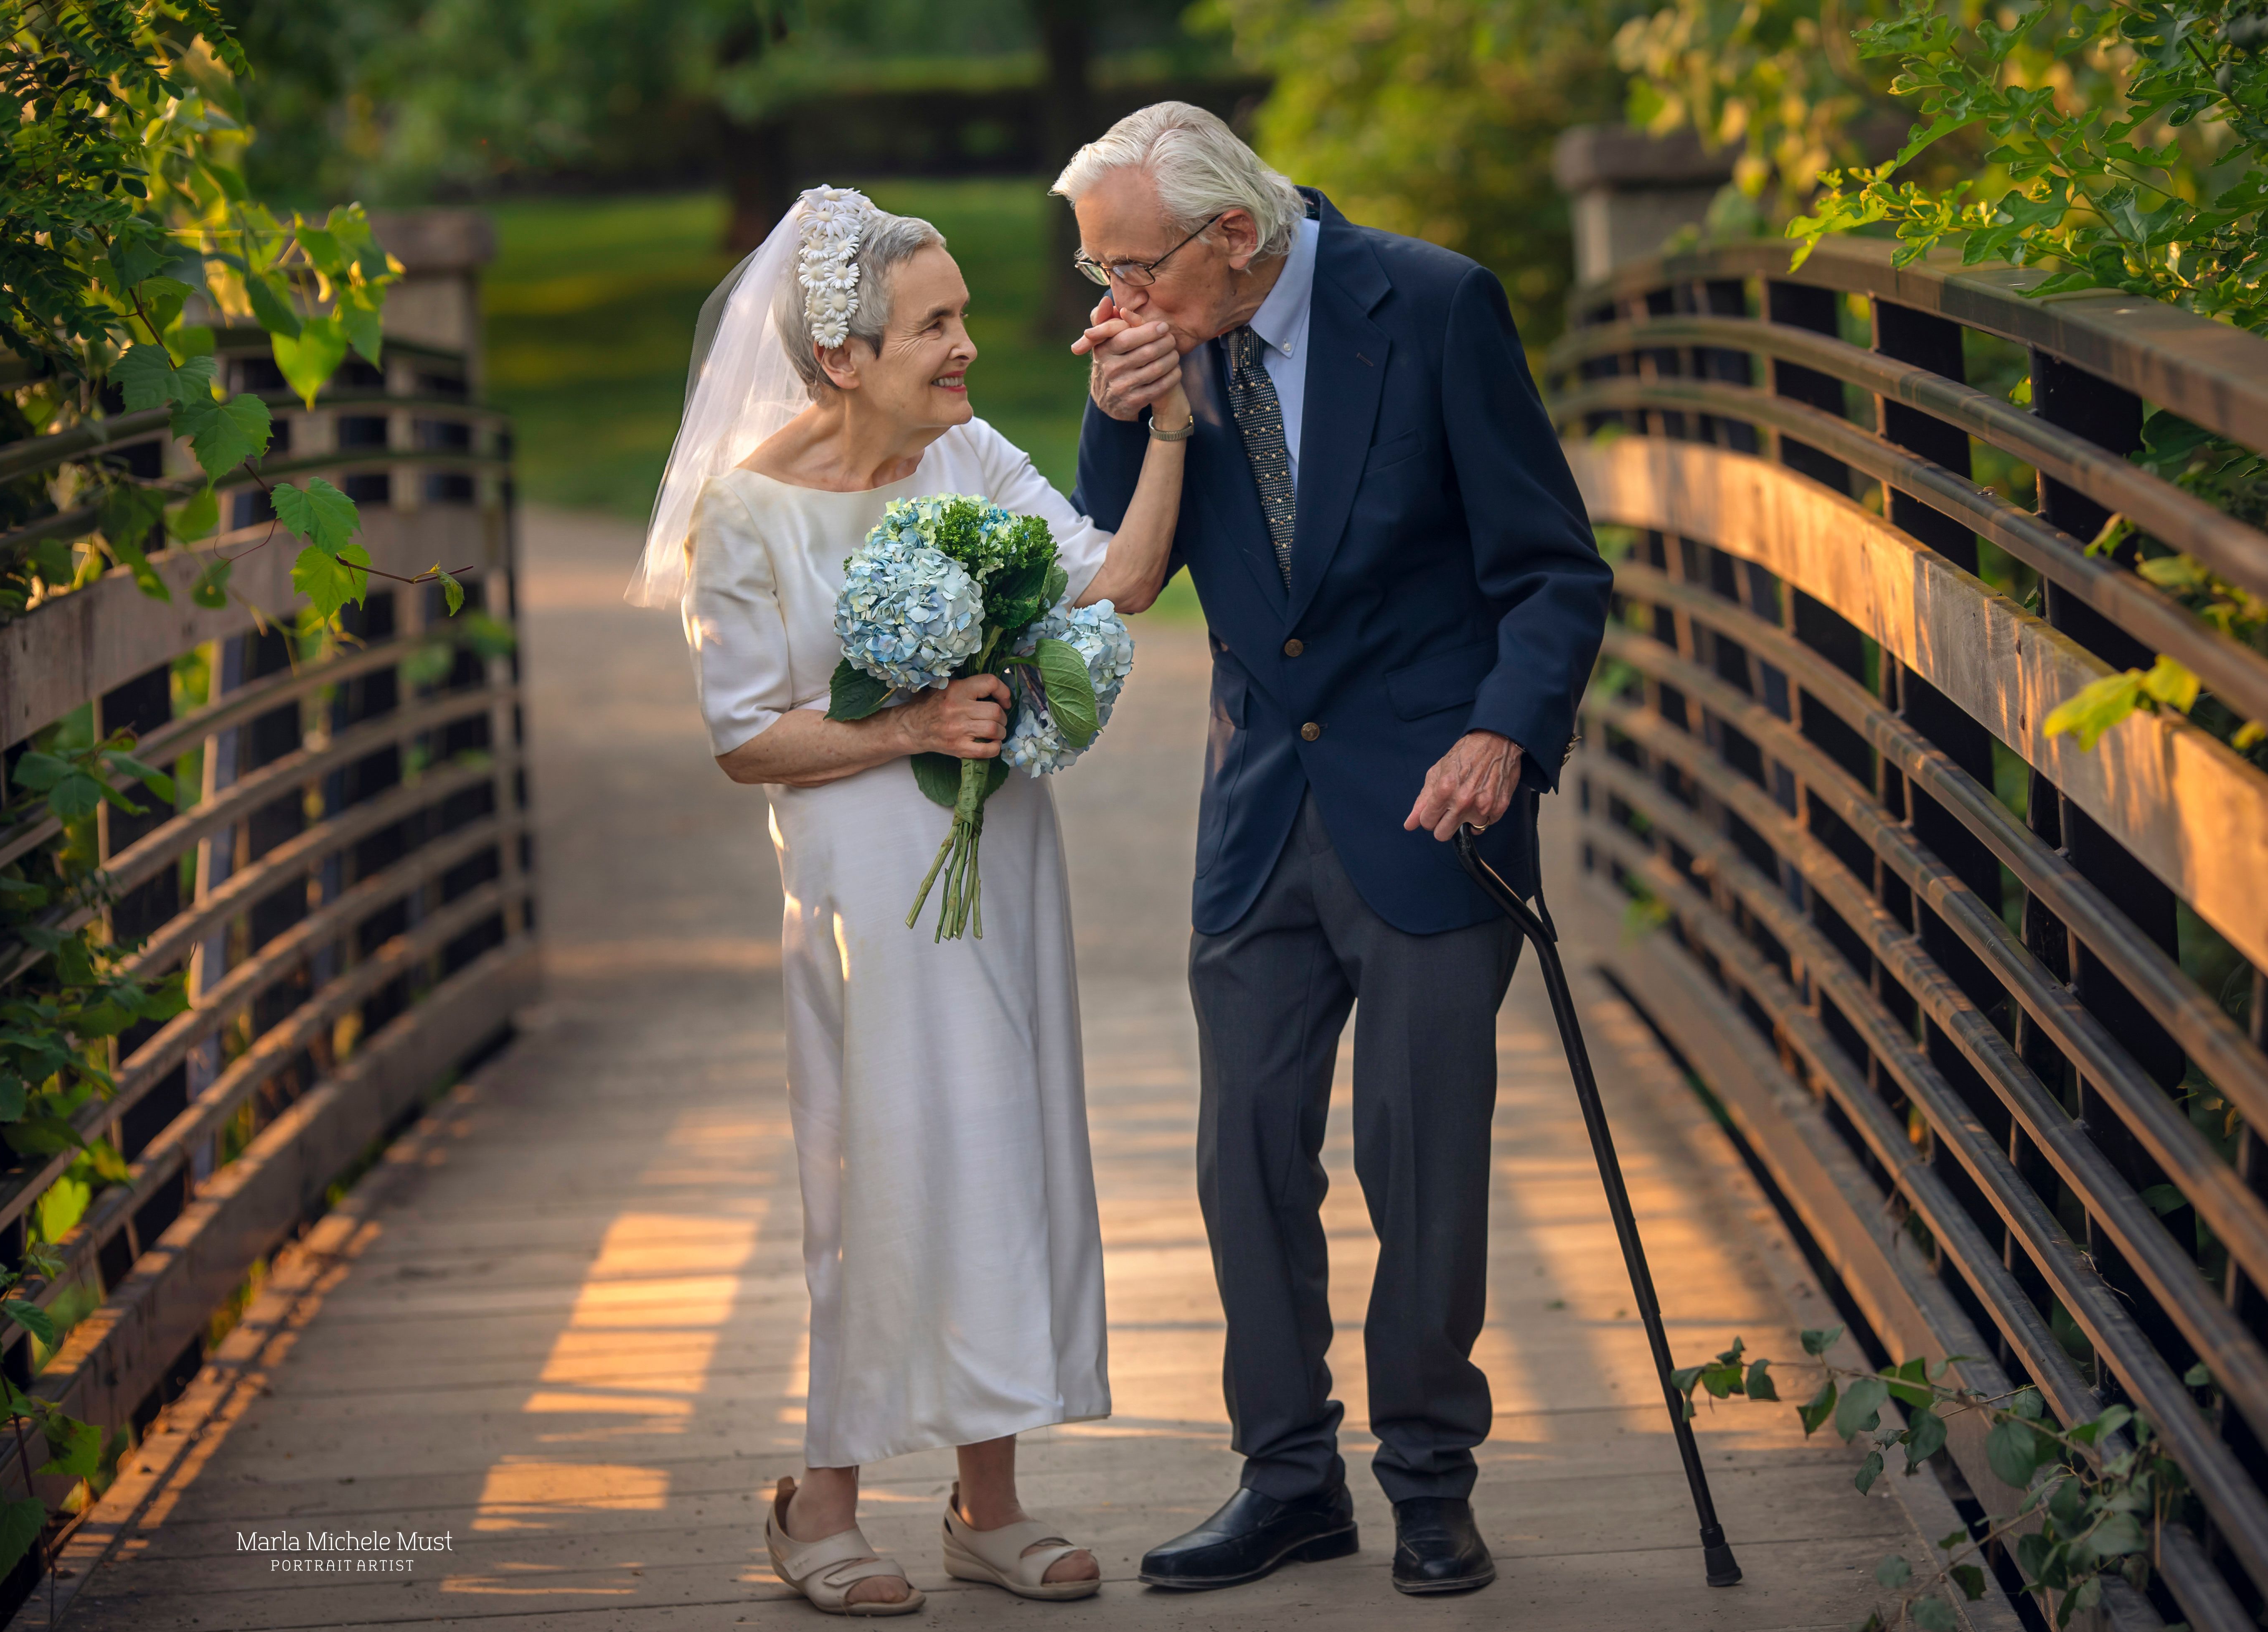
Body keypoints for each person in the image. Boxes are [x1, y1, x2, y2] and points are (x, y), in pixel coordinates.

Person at [1057, 105, 1614, 1597]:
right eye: (1091, 273)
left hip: (1440, 802)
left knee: (1418, 1158)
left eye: (1128, 268)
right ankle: (1288, 1476)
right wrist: (1133, 410)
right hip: (1257, 813)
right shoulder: (1158, 346)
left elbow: (1557, 572)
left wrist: (1505, 735)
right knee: (1246, 1156)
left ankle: (1432, 1476)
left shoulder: (1431, 304)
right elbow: (1118, 564)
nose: (1109, 301)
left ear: (1231, 237)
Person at [628, 186, 1191, 1615]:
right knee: (875, 1165)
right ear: (841, 357)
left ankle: (986, 1505)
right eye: (935, 324)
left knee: (1002, 1146)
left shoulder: (972, 456)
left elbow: (1119, 577)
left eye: (961, 316)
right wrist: (906, 729)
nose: (966, 348)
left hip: (998, 858)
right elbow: (745, 734)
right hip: (860, 884)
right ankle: (821, 1494)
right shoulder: (744, 513)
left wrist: (1170, 427)